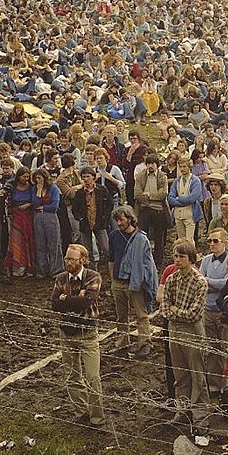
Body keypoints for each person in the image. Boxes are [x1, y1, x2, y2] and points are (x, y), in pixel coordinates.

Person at [51, 244, 105, 426]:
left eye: (72, 259)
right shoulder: (60, 278)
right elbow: (54, 305)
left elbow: (86, 302)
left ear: (83, 260)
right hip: (66, 333)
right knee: (73, 375)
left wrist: (66, 298)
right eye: (66, 258)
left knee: (92, 377)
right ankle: (81, 412)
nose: (68, 262)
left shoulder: (93, 276)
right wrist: (74, 299)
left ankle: (97, 417)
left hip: (87, 333)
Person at [160, 239, 210, 435]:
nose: (178, 260)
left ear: (191, 258)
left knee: (197, 375)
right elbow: (164, 306)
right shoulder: (172, 279)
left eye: (182, 257)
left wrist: (175, 310)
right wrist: (176, 311)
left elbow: (194, 314)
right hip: (175, 330)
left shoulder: (199, 282)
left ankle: (201, 417)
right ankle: (183, 409)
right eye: (176, 256)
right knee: (180, 374)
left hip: (192, 332)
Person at [108, 205, 157, 359]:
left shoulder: (141, 239)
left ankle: (145, 343)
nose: (119, 223)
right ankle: (122, 343)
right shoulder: (114, 236)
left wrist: (140, 281)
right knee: (121, 315)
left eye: (121, 219)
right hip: (118, 282)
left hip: (134, 282)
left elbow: (147, 263)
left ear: (130, 219)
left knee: (141, 314)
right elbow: (111, 259)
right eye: (116, 220)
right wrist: (112, 279)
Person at [199, 229, 228, 396]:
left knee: (225, 348)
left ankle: (226, 385)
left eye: (215, 241)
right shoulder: (205, 260)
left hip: (223, 311)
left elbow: (226, 285)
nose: (212, 244)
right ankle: (214, 384)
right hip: (207, 310)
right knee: (211, 349)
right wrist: (212, 284)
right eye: (209, 241)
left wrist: (208, 282)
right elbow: (200, 283)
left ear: (224, 242)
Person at [71, 166, 113, 270]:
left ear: (93, 177)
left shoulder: (102, 190)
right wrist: (80, 218)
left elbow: (109, 205)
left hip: (100, 223)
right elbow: (74, 209)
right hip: (85, 224)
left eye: (88, 176)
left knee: (106, 248)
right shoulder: (80, 193)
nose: (85, 179)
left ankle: (109, 269)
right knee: (87, 251)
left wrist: (105, 217)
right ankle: (92, 271)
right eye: (83, 177)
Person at [133, 153, 169, 267]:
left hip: (159, 210)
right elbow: (137, 194)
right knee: (142, 236)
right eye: (148, 163)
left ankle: (158, 262)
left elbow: (163, 194)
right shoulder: (140, 175)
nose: (150, 166)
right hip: (144, 209)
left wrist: (148, 195)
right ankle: (143, 260)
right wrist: (152, 198)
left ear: (157, 165)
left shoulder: (162, 176)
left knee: (159, 237)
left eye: (153, 163)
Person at [32, 167, 64, 280]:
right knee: (40, 244)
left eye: (40, 178)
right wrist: (39, 190)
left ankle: (56, 270)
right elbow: (35, 204)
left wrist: (43, 207)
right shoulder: (34, 188)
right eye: (36, 178)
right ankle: (42, 270)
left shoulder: (53, 188)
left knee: (54, 244)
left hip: (50, 218)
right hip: (38, 218)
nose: (38, 180)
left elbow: (54, 206)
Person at [5, 166, 36, 278]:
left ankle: (29, 267)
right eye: (24, 177)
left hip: (27, 216)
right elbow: (6, 193)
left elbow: (35, 200)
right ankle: (17, 267)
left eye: (28, 177)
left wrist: (29, 204)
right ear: (19, 176)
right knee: (16, 241)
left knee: (28, 239)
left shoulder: (31, 187)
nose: (26, 179)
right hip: (16, 216)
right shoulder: (12, 186)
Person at [168, 157, 204, 242]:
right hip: (178, 214)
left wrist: (179, 198)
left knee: (189, 240)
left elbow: (192, 198)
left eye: (184, 166)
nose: (182, 169)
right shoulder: (177, 181)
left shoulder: (195, 181)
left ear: (189, 167)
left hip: (190, 214)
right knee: (181, 240)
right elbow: (170, 198)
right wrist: (181, 201)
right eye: (180, 167)